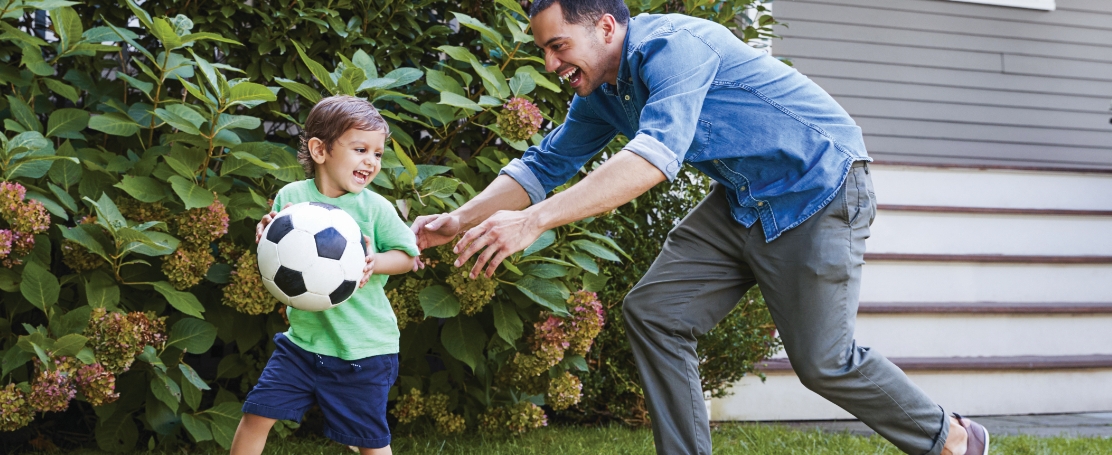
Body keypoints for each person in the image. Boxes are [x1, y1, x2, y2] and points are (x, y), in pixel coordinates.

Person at [411, 1, 990, 454]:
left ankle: (953, 440)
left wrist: (535, 220)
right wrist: (459, 219)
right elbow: (543, 164)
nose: (551, 64)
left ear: (606, 27)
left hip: (821, 186)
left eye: (558, 46)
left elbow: (653, 158)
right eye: (544, 52)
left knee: (823, 362)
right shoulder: (602, 93)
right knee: (655, 312)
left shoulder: (672, 47)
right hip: (743, 197)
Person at [230, 95, 420, 455]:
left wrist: (374, 261)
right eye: (360, 148)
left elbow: (408, 256)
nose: (371, 161)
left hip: (362, 350)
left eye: (378, 153)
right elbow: (278, 250)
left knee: (367, 441)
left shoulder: (375, 208)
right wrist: (267, 231)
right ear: (320, 150)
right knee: (257, 413)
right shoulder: (292, 198)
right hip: (302, 344)